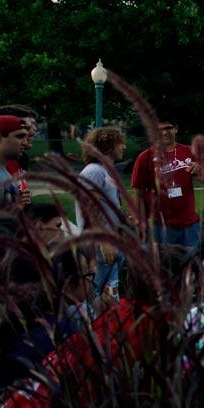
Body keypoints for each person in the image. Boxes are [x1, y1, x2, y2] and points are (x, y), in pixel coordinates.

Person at [131, 118, 204, 249]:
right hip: (161, 226)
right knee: (165, 267)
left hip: (189, 224)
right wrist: (140, 221)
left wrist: (201, 171)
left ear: (176, 128)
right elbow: (139, 194)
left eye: (168, 128)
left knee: (192, 266)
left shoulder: (190, 152)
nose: (165, 133)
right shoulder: (145, 157)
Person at [76, 126, 129, 300]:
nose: (124, 147)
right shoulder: (93, 171)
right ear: (107, 146)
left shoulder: (105, 172)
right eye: (120, 143)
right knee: (102, 296)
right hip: (99, 245)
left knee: (111, 294)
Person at [0, 115, 33, 224]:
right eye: (20, 136)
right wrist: (13, 211)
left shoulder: (8, 168)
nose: (26, 143)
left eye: (26, 137)